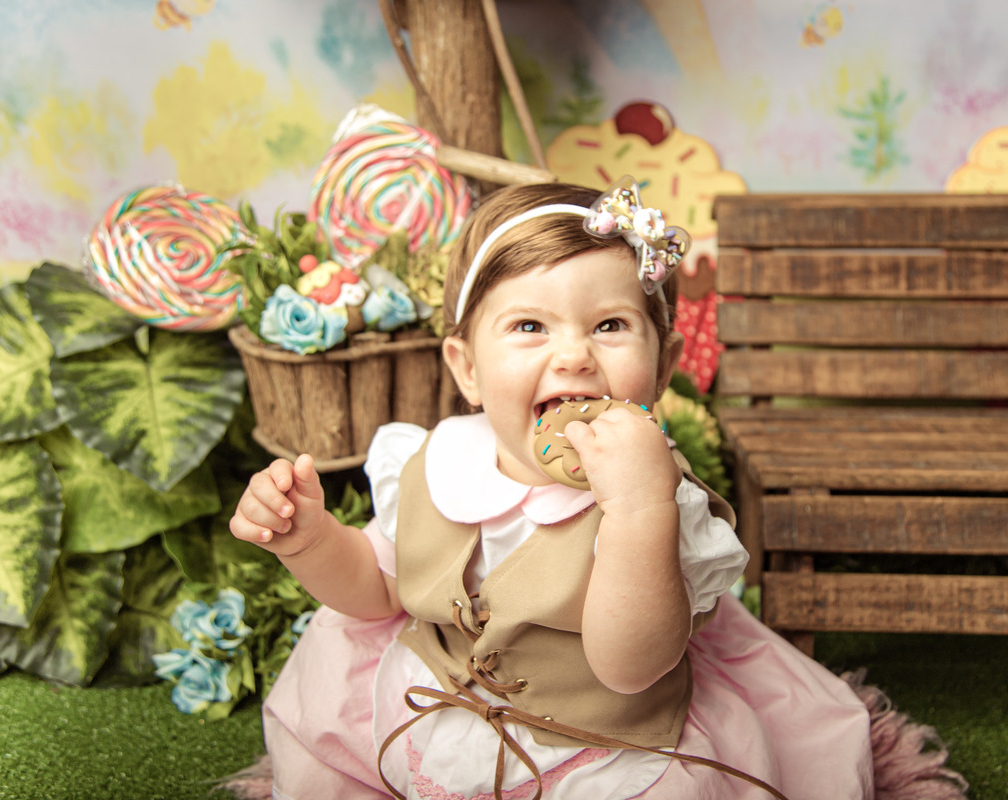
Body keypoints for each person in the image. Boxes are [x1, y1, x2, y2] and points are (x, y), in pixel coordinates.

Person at [229, 178, 874, 800]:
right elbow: (382, 592)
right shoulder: (439, 461)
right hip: (437, 691)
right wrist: (309, 540)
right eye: (530, 327)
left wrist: (637, 511)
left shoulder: (665, 500)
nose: (574, 357)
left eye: (611, 325)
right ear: (468, 369)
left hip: (604, 737)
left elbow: (630, 667)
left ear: (664, 365)